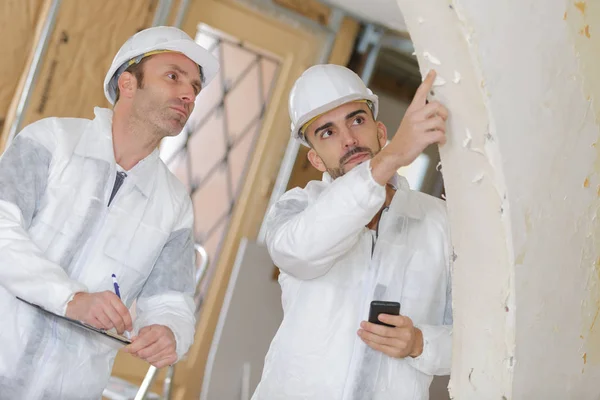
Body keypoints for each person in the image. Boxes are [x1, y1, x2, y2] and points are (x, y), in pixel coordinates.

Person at [0, 26, 219, 399]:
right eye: (173, 77)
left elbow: (171, 301)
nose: (188, 94)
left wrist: (169, 332)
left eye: (195, 88)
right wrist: (71, 298)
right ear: (128, 83)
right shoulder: (51, 141)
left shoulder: (173, 205)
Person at [252, 64, 453, 400]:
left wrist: (421, 343)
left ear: (381, 131)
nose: (348, 140)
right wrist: (391, 158)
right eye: (327, 132)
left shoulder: (439, 222)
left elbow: (475, 339)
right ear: (315, 159)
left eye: (357, 120)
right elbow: (299, 252)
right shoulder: (296, 210)